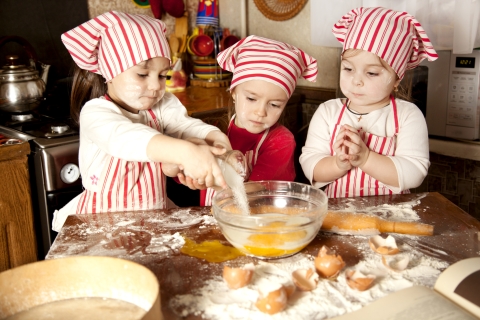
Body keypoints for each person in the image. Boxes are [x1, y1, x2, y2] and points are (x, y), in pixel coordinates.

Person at [52, 11, 231, 231]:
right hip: (103, 228)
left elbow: (184, 126)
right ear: (111, 71)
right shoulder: (96, 113)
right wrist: (185, 152)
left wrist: (216, 139)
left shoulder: (163, 105)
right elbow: (125, 138)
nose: (156, 86)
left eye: (162, 75)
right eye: (143, 74)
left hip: (152, 221)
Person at [300, 7, 438, 198]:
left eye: (371, 73)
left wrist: (365, 158)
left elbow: (415, 172)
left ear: (397, 79)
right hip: (338, 216)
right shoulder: (327, 112)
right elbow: (310, 165)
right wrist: (338, 164)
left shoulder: (408, 116)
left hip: (392, 216)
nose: (357, 80)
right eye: (348, 69)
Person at [200, 35, 318, 205]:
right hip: (209, 220)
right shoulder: (214, 129)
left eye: (275, 104)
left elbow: (256, 188)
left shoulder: (281, 142)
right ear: (234, 93)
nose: (260, 112)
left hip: (260, 224)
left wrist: (211, 180)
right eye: (251, 99)